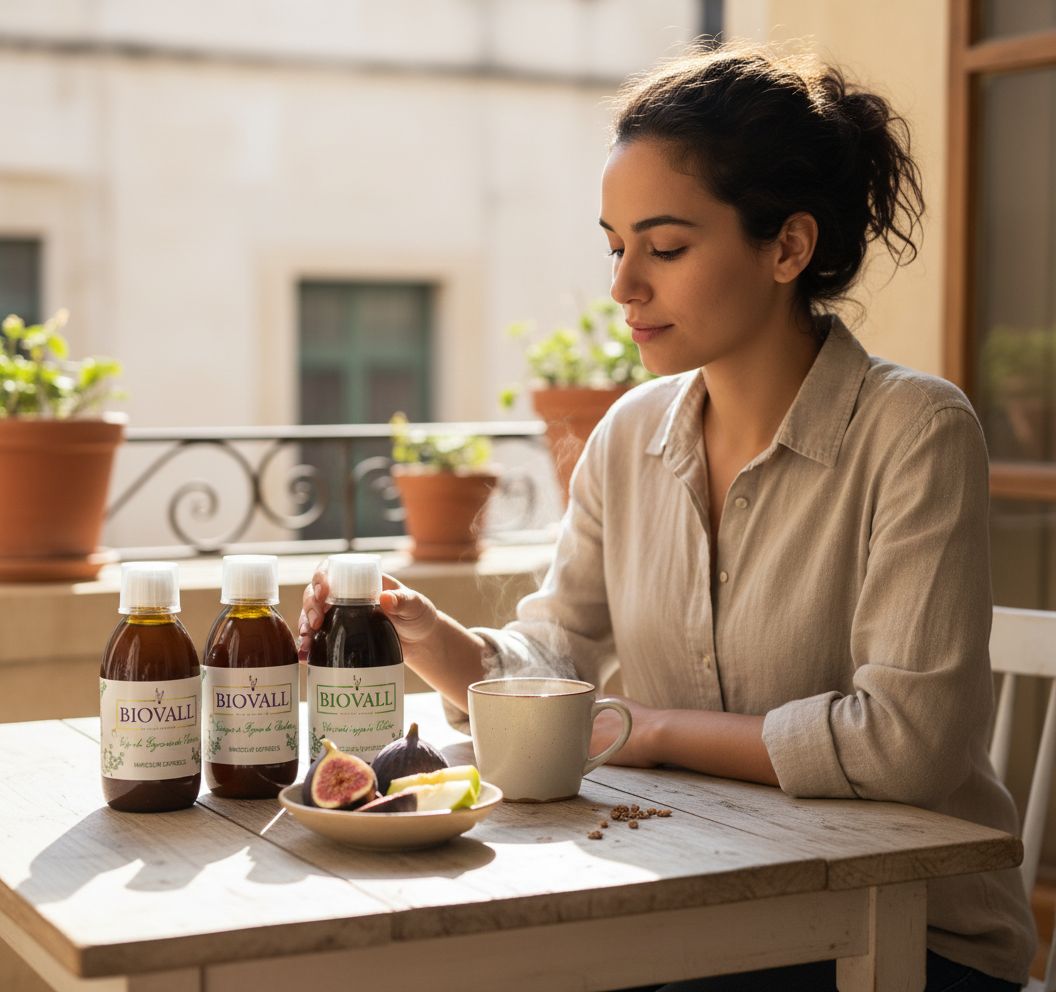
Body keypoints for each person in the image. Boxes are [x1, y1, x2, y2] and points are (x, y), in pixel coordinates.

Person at [299, 43, 1036, 990]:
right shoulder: (629, 434)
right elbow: (557, 655)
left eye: (667, 247)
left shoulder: (916, 431)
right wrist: (435, 639)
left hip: (903, 938)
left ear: (788, 247)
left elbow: (907, 745)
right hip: (696, 902)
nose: (624, 286)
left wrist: (649, 730)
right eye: (615, 245)